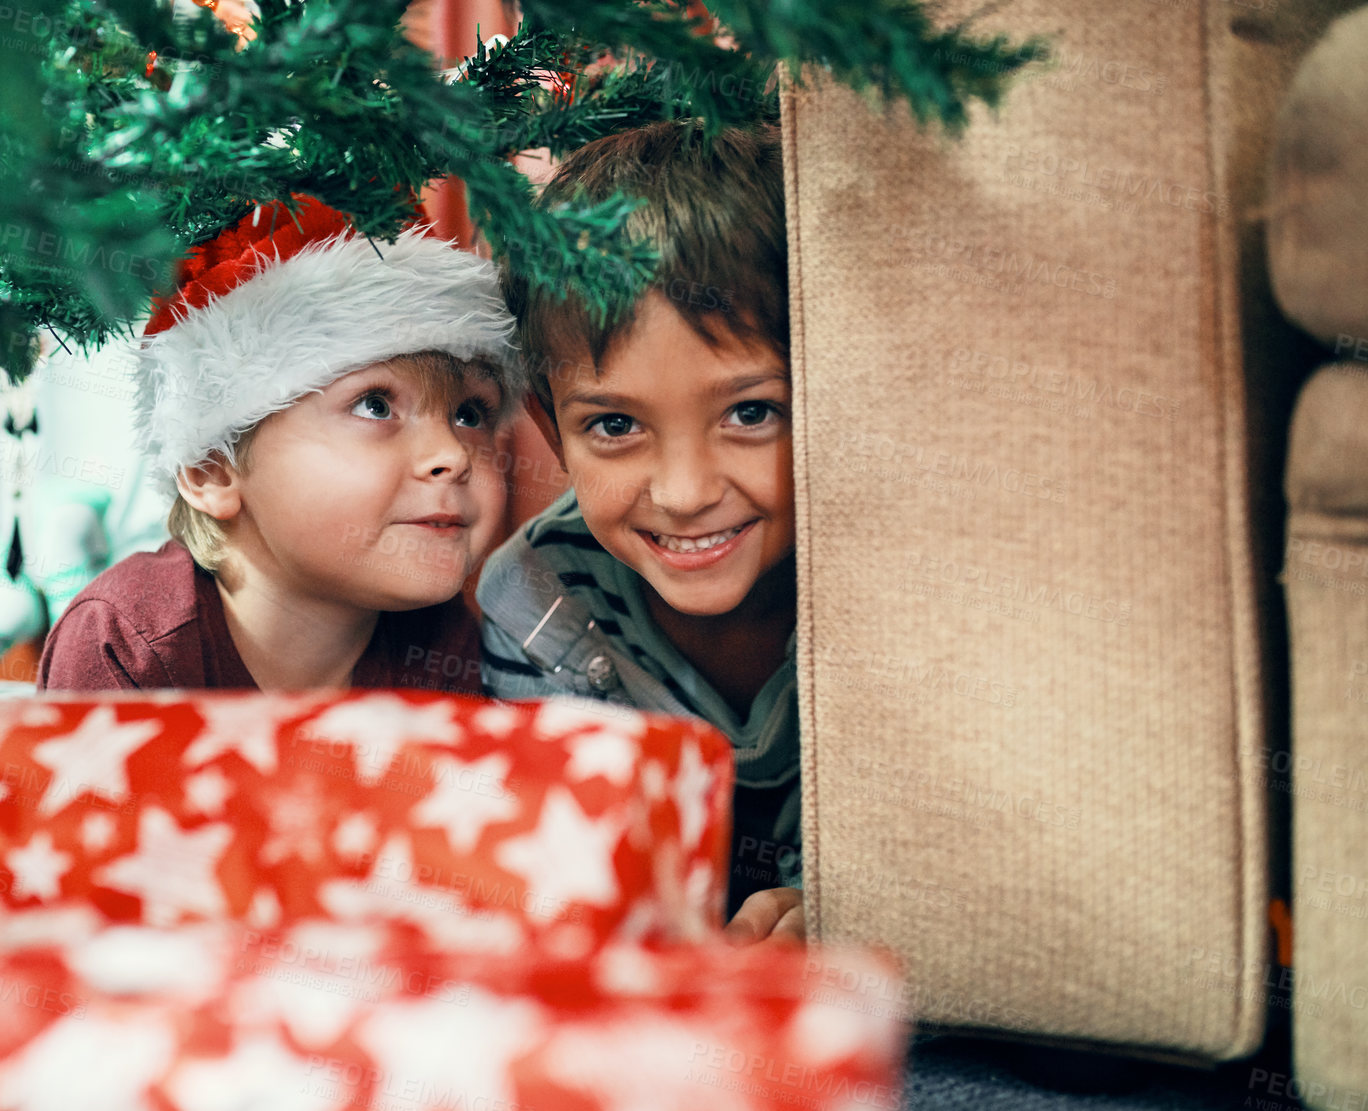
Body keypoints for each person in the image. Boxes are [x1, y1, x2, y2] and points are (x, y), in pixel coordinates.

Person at [477, 120, 805, 943]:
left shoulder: (897, 573)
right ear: (551, 432)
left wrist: (841, 899)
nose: (685, 492)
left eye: (751, 412)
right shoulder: (540, 595)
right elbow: (572, 878)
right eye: (616, 425)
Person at [40, 195, 519, 695]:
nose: (453, 455)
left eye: (469, 414)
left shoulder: (442, 641)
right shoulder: (124, 644)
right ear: (213, 469)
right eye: (374, 405)